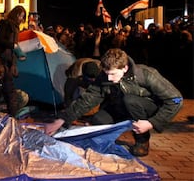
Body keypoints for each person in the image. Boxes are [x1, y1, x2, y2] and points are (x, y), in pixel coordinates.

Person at [44, 48, 183, 157]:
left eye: (113, 74)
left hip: (145, 108)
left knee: (130, 100)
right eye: (107, 74)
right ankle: (110, 140)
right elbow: (88, 98)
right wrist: (63, 118)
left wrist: (152, 122)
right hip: (121, 106)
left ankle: (142, 141)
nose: (109, 79)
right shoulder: (105, 75)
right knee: (98, 119)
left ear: (125, 68)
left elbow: (176, 99)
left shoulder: (146, 74)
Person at [0, 5, 27, 77]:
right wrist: (12, 45)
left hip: (9, 59)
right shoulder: (4, 23)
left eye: (22, 16)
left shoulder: (16, 27)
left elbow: (15, 44)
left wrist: (16, 59)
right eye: (20, 16)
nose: (21, 19)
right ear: (15, 15)